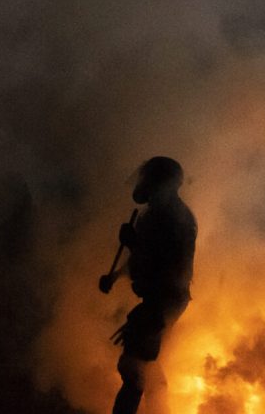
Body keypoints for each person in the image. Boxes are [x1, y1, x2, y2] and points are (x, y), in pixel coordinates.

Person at [99, 156, 197, 414]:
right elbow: (139, 260)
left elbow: (163, 262)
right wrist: (116, 276)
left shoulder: (174, 218)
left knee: (134, 369)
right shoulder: (157, 214)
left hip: (164, 301)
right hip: (161, 300)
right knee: (144, 367)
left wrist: (134, 243)